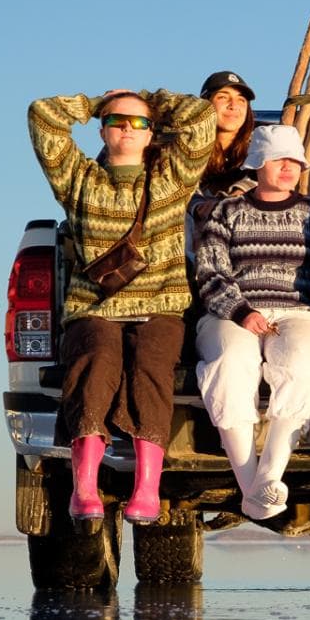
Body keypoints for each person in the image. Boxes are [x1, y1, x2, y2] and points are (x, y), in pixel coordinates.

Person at [28, 87, 215, 525]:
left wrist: (145, 98)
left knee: (150, 366)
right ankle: (85, 487)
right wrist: (99, 102)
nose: (128, 129)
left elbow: (201, 117)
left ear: (153, 133)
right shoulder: (78, 180)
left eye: (139, 123)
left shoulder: (171, 178)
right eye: (117, 121)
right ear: (103, 130)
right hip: (93, 304)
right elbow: (43, 115)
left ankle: (147, 488)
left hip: (159, 302)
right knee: (96, 360)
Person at [192, 124, 310, 521]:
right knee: (233, 363)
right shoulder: (227, 211)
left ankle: (269, 476)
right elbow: (210, 272)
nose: (288, 167)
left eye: (295, 160)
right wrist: (241, 311)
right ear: (258, 164)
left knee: (303, 361)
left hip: (297, 311)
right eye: (278, 159)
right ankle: (251, 483)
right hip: (231, 312)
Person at [190, 70, 257, 225]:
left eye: (241, 100)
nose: (233, 105)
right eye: (223, 97)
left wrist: (242, 190)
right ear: (204, 104)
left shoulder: (259, 149)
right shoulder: (186, 150)